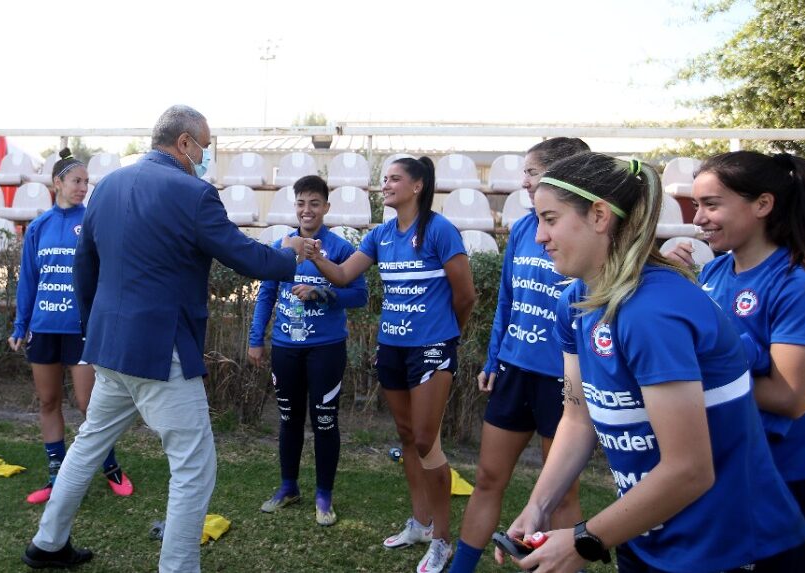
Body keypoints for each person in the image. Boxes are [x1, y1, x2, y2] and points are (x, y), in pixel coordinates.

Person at [22, 105, 307, 572]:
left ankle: (48, 543)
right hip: (160, 353)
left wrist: (94, 331)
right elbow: (247, 258)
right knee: (194, 465)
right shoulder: (194, 193)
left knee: (89, 444)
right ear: (184, 143)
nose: (206, 155)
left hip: (109, 349)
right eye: (205, 146)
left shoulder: (108, 185)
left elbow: (83, 267)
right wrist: (289, 254)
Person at [502, 152, 805, 573]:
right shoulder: (575, 300)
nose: (539, 236)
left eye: (550, 219)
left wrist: (583, 541)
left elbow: (689, 470)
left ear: (598, 215)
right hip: (651, 533)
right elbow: (578, 418)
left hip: (720, 548)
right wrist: (538, 507)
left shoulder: (652, 310)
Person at [304, 156, 476, 573]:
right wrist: (312, 254)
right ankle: (419, 523)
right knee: (406, 435)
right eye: (384, 179)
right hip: (392, 347)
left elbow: (466, 294)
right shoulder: (381, 234)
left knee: (424, 439)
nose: (386, 185)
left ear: (417, 186)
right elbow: (343, 275)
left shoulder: (439, 229)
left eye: (394, 179)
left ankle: (442, 539)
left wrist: (446, 335)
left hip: (432, 347)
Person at [666, 151, 805, 567]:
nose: (698, 219)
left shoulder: (795, 283)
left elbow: (791, 398)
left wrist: (698, 383)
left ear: (763, 205)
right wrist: (678, 290)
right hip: (730, 464)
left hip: (787, 474)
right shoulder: (713, 274)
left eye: (711, 204)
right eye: (697, 205)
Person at [450, 138, 588, 573]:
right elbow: (508, 301)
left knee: (563, 494)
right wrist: (494, 359)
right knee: (489, 479)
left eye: (532, 172)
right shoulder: (526, 228)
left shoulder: (594, 232)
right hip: (515, 370)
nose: (523, 182)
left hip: (563, 380)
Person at [9, 148, 132, 504]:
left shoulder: (91, 220)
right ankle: (55, 475)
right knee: (48, 401)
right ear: (57, 182)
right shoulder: (39, 227)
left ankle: (110, 465)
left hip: (81, 328)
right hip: (44, 328)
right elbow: (28, 281)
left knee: (87, 404)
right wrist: (20, 325)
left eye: (86, 182)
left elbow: (105, 273)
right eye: (77, 181)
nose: (83, 187)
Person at [247, 175, 368, 527]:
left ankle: (324, 494)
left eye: (314, 203)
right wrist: (257, 339)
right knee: (288, 419)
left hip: (326, 349)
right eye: (301, 202)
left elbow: (359, 295)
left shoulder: (341, 248)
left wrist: (321, 294)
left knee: (325, 421)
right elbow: (266, 294)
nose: (307, 210)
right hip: (286, 348)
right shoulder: (282, 245)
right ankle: (289, 487)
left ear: (326, 208)